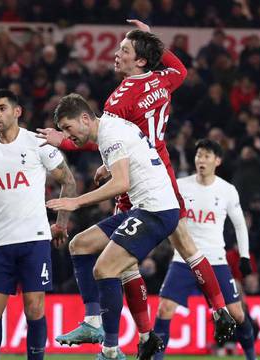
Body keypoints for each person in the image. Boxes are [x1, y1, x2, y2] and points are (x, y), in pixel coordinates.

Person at [37, 20, 236, 353]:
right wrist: (152, 39)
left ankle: (129, 340)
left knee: (117, 264)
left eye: (124, 50)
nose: (116, 55)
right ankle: (217, 310)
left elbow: (100, 135)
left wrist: (68, 146)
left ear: (140, 60)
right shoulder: (162, 80)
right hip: (158, 163)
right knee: (186, 245)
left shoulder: (118, 102)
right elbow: (181, 71)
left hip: (139, 179)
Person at [46, 93, 180, 360]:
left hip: (156, 209)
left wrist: (76, 202)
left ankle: (110, 350)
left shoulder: (110, 134)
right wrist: (106, 167)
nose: (67, 136)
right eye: (63, 131)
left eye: (68, 128)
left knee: (104, 268)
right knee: (80, 245)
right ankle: (94, 321)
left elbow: (121, 184)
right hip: (143, 207)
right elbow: (129, 156)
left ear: (85, 118)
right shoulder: (111, 127)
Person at [0, 88, 76, 360]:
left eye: (2, 108)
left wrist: (60, 223)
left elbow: (68, 181)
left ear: (17, 111)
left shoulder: (37, 143)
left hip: (35, 239)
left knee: (34, 309)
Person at [152, 139, 256, 360]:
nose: (201, 159)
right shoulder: (180, 185)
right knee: (164, 309)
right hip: (184, 259)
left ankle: (251, 357)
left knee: (237, 314)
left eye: (207, 156)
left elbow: (239, 224)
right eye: (199, 155)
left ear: (217, 161)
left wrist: (244, 257)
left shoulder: (227, 190)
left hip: (215, 260)